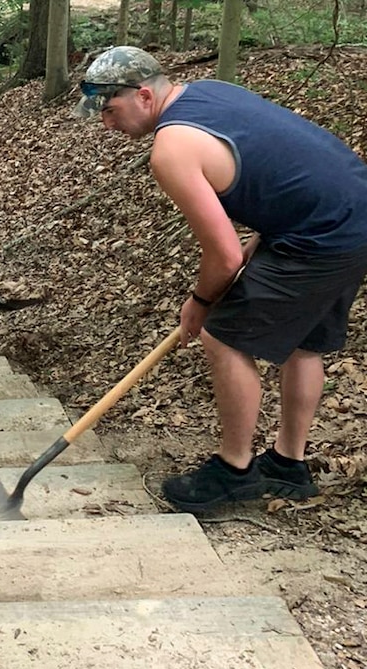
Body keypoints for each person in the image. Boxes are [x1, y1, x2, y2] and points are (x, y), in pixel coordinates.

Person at [75, 46, 367, 512]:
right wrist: (269, 234)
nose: (107, 125)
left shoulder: (172, 148)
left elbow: (224, 256)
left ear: (145, 96)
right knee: (303, 343)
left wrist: (201, 301)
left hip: (321, 234)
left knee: (224, 339)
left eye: (110, 110)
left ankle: (234, 473)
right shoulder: (211, 92)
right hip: (351, 210)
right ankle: (288, 465)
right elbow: (278, 169)